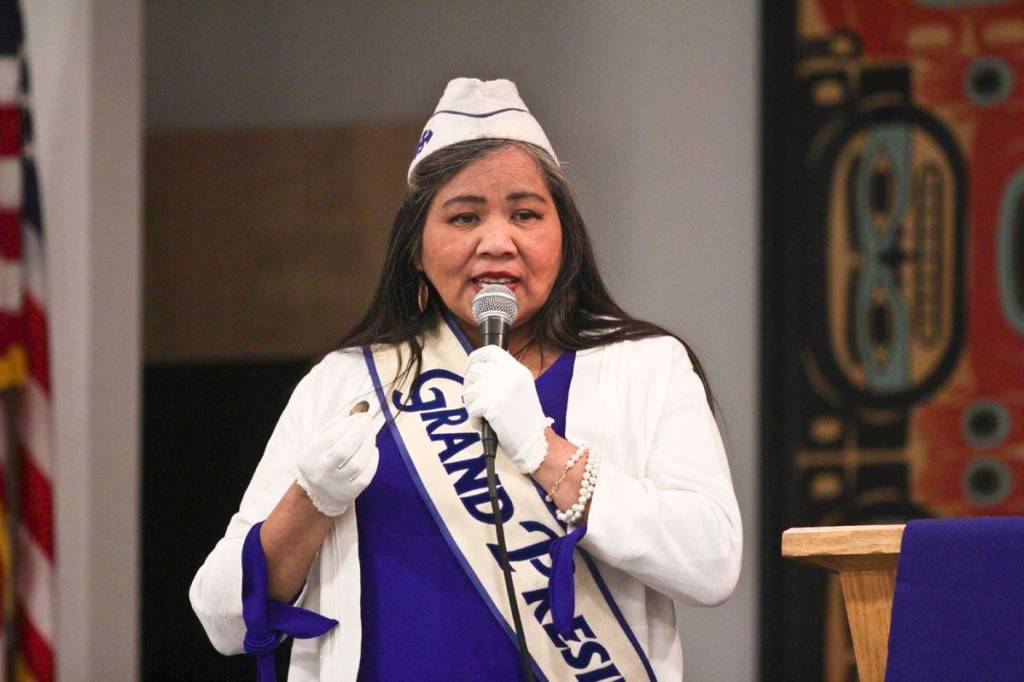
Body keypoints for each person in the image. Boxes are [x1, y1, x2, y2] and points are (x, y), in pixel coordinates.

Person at [190, 77, 742, 681]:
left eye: (525, 214)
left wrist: (544, 451)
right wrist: (310, 499)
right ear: (416, 249)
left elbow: (712, 564)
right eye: (464, 217)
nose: (497, 242)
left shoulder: (646, 366)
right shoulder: (345, 384)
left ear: (566, 238)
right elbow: (222, 619)